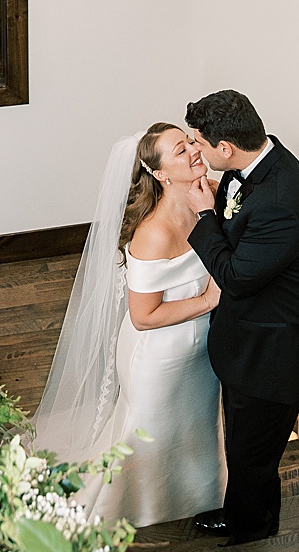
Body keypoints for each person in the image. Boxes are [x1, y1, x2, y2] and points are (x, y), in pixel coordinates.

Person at [33, 124, 225, 526]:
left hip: (203, 349)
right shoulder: (152, 235)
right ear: (161, 174)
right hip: (159, 354)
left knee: (196, 423)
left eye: (190, 142)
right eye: (180, 149)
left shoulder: (207, 199)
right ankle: (132, 507)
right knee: (150, 429)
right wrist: (208, 300)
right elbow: (143, 316)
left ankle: (200, 497)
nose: (193, 149)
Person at [184, 89, 299, 545]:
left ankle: (252, 529)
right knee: (247, 448)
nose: (196, 153)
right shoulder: (253, 167)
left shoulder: (279, 200)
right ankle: (244, 510)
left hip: (272, 356)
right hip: (251, 340)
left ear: (225, 148)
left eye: (199, 144)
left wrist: (204, 217)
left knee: (252, 454)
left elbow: (236, 277)